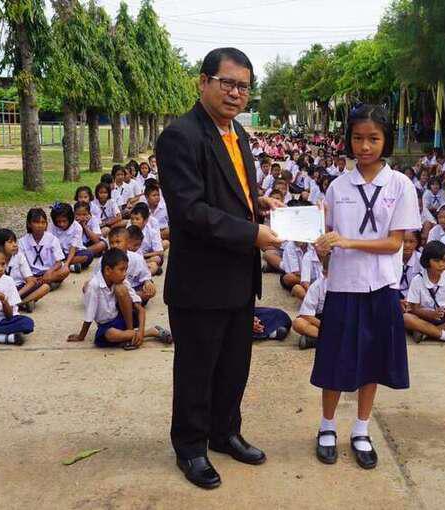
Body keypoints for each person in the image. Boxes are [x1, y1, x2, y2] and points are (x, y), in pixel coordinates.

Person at [156, 47, 283, 489]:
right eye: (227, 83)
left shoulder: (237, 133)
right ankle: (191, 448)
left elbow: (231, 191)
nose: (235, 93)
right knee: (197, 369)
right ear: (203, 82)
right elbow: (191, 211)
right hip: (201, 280)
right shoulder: (181, 136)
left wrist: (256, 202)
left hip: (238, 277)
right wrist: (252, 234)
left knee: (233, 365)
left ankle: (225, 432)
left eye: (243, 87)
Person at [311, 103, 421, 470]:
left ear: (386, 139)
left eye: (373, 138)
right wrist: (322, 250)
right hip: (343, 287)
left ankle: (361, 429)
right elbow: (326, 238)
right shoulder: (337, 187)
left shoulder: (400, 185)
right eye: (358, 138)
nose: (365, 146)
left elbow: (394, 243)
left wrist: (347, 242)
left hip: (381, 287)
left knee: (372, 362)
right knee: (334, 361)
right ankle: (327, 427)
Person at [68, 248, 170, 349]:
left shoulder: (122, 281)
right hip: (107, 325)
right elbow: (89, 315)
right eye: (121, 270)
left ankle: (131, 334)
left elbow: (140, 309)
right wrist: (81, 336)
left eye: (126, 269)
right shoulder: (94, 286)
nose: (125, 273)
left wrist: (140, 329)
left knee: (120, 288)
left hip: (125, 319)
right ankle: (151, 332)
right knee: (110, 335)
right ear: (108, 270)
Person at [0, 228, 50, 313]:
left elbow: (30, 281)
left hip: (19, 290)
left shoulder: (19, 256)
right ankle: (21, 303)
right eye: (10, 242)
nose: (15, 245)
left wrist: (16, 296)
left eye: (15, 242)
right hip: (0, 291)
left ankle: (19, 304)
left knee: (45, 287)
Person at [18, 208, 69, 289]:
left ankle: (39, 285)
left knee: (65, 270)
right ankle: (45, 285)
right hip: (31, 274)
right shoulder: (22, 242)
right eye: (36, 222)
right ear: (29, 224)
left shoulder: (52, 239)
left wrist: (49, 272)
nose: (40, 225)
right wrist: (30, 277)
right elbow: (21, 263)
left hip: (49, 273)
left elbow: (59, 262)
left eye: (43, 222)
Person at [49, 202, 95, 273]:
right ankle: (71, 266)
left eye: (64, 221)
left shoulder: (77, 227)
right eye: (58, 221)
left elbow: (73, 248)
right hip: (58, 253)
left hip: (73, 253)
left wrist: (66, 264)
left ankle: (62, 265)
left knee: (88, 255)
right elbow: (50, 244)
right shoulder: (53, 226)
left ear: (70, 219)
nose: (61, 224)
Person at [293, 260, 329, 350]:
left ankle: (316, 341)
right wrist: (325, 326)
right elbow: (306, 315)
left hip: (343, 320)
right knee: (298, 323)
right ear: (324, 273)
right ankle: (334, 339)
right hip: (321, 321)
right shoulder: (317, 286)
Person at [128, 202, 164, 276]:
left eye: (137, 219)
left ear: (145, 221)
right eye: (132, 219)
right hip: (130, 259)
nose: (134, 222)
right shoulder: (127, 231)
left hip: (145, 258)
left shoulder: (152, 232)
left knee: (156, 259)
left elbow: (160, 252)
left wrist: (143, 255)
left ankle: (142, 275)